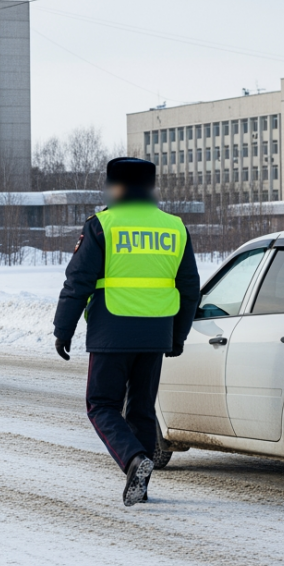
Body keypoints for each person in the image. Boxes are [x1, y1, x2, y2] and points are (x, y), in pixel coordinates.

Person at [53, 157, 201, 507]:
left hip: (112, 330)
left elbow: (78, 282)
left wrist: (63, 329)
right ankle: (142, 485)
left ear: (116, 187)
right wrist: (177, 336)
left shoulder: (102, 225)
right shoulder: (174, 227)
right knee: (141, 410)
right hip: (156, 331)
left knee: (101, 405)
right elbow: (190, 287)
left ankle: (134, 459)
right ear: (150, 187)